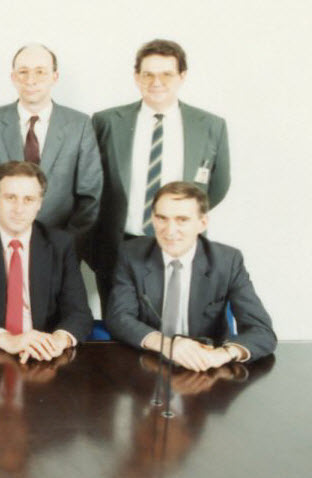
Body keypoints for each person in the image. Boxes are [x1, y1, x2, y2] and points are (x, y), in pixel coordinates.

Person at [91, 39, 230, 307]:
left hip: (180, 244)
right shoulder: (106, 122)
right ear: (136, 77)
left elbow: (218, 185)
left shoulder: (211, 125)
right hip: (119, 245)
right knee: (121, 328)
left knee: (176, 327)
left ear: (182, 76)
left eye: (166, 74)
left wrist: (179, 220)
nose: (157, 82)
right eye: (148, 74)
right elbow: (90, 183)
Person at [106, 182, 275, 370]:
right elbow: (119, 317)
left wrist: (224, 354)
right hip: (149, 364)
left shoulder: (227, 261)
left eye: (182, 220)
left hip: (206, 365)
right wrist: (166, 345)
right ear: (152, 219)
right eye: (162, 218)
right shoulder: (131, 254)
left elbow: (262, 331)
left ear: (202, 223)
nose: (170, 231)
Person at [0, 43, 102, 261]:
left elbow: (90, 196)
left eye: (40, 71)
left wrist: (67, 246)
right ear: (13, 76)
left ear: (54, 76)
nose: (31, 80)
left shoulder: (80, 125)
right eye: (23, 72)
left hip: (59, 249)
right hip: (0, 248)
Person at [0, 161, 92, 362]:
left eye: (28, 199)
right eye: (10, 198)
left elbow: (79, 312)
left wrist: (58, 340)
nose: (19, 209)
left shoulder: (60, 243)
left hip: (45, 353)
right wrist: (7, 340)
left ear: (39, 204)